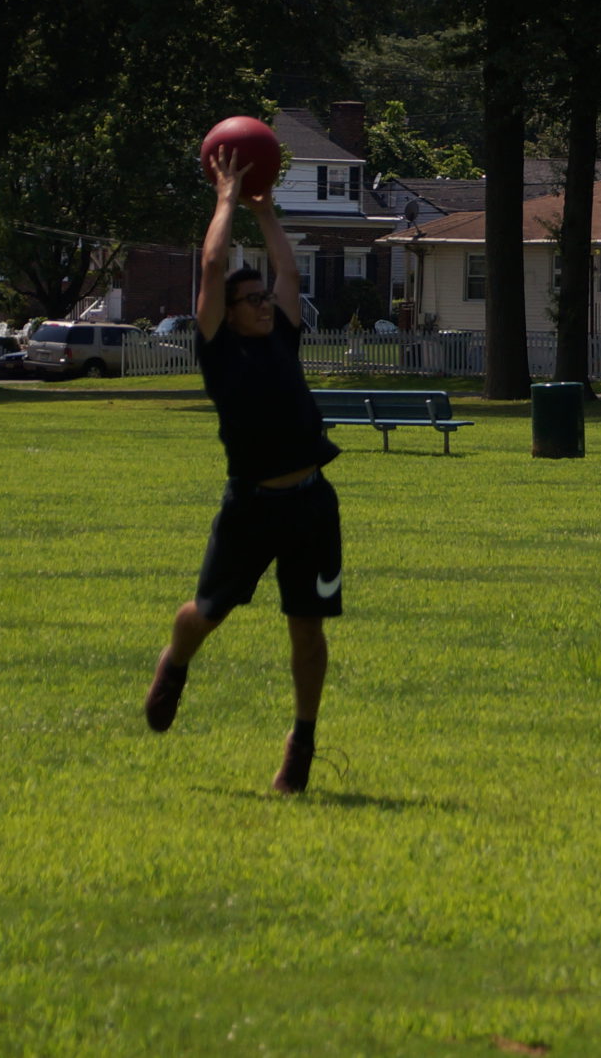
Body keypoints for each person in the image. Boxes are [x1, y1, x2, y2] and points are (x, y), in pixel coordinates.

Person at [141, 150, 344, 794]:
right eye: (250, 299)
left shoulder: (282, 336)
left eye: (263, 298)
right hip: (251, 507)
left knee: (307, 626)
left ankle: (302, 743)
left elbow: (289, 271)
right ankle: (175, 663)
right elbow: (210, 266)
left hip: (311, 503)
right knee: (206, 613)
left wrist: (266, 212)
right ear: (226, 312)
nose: (263, 304)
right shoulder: (219, 351)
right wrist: (225, 196)